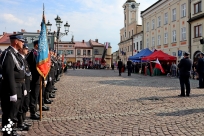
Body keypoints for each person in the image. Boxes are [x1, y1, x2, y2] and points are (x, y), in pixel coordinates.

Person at [0, 33, 25, 136]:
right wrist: (12, 92)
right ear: (16, 41)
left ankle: (11, 130)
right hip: (11, 89)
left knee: (14, 112)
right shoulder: (8, 53)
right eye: (22, 41)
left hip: (18, 87)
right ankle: (7, 133)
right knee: (9, 113)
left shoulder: (16, 54)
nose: (23, 43)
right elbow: (8, 74)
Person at [26, 40, 41, 120]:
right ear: (36, 45)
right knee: (33, 96)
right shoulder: (32, 53)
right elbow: (27, 65)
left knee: (36, 95)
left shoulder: (37, 53)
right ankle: (32, 112)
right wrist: (30, 74)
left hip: (38, 78)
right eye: (39, 44)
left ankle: (35, 110)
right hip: (34, 78)